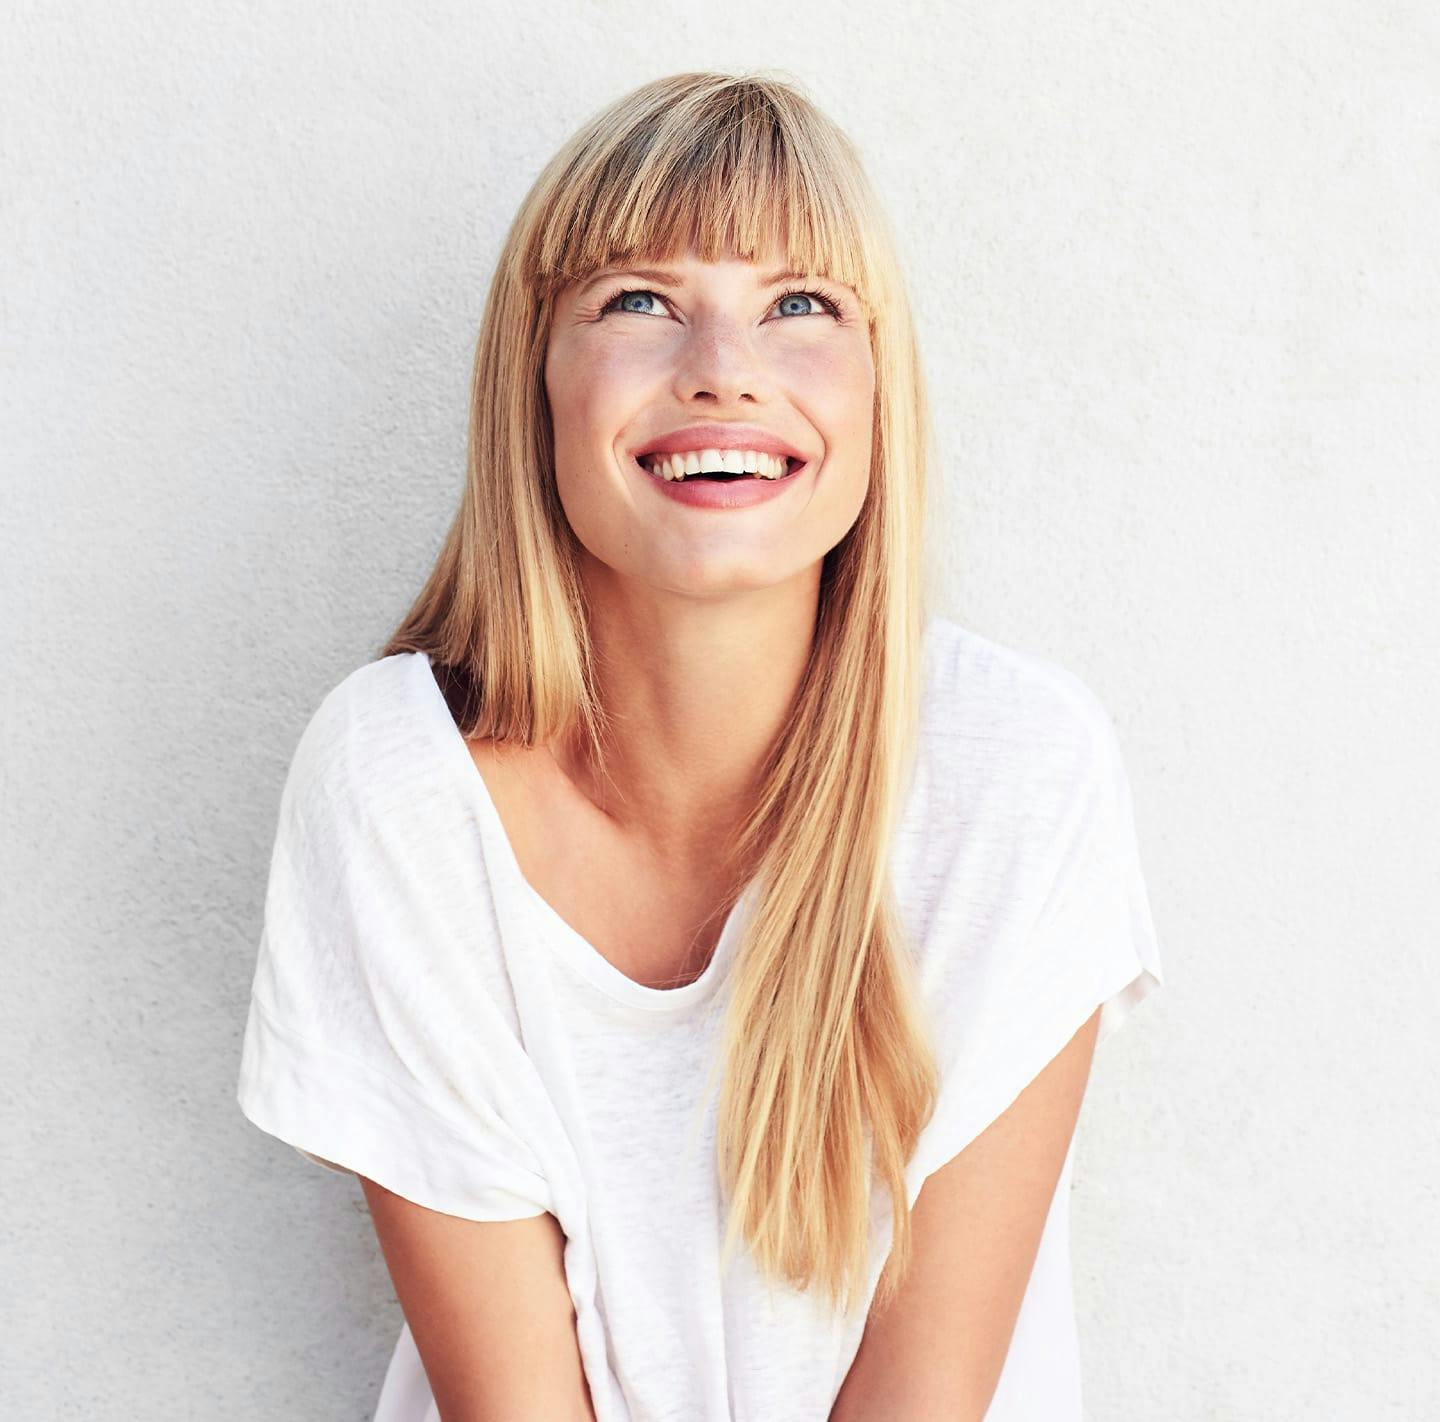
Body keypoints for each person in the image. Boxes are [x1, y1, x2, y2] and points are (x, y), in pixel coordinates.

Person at [236, 69, 1165, 1422]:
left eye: (801, 305)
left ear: (877, 390)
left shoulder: (1017, 772)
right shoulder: (397, 786)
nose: (723, 365)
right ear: (533, 386)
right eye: (639, 301)